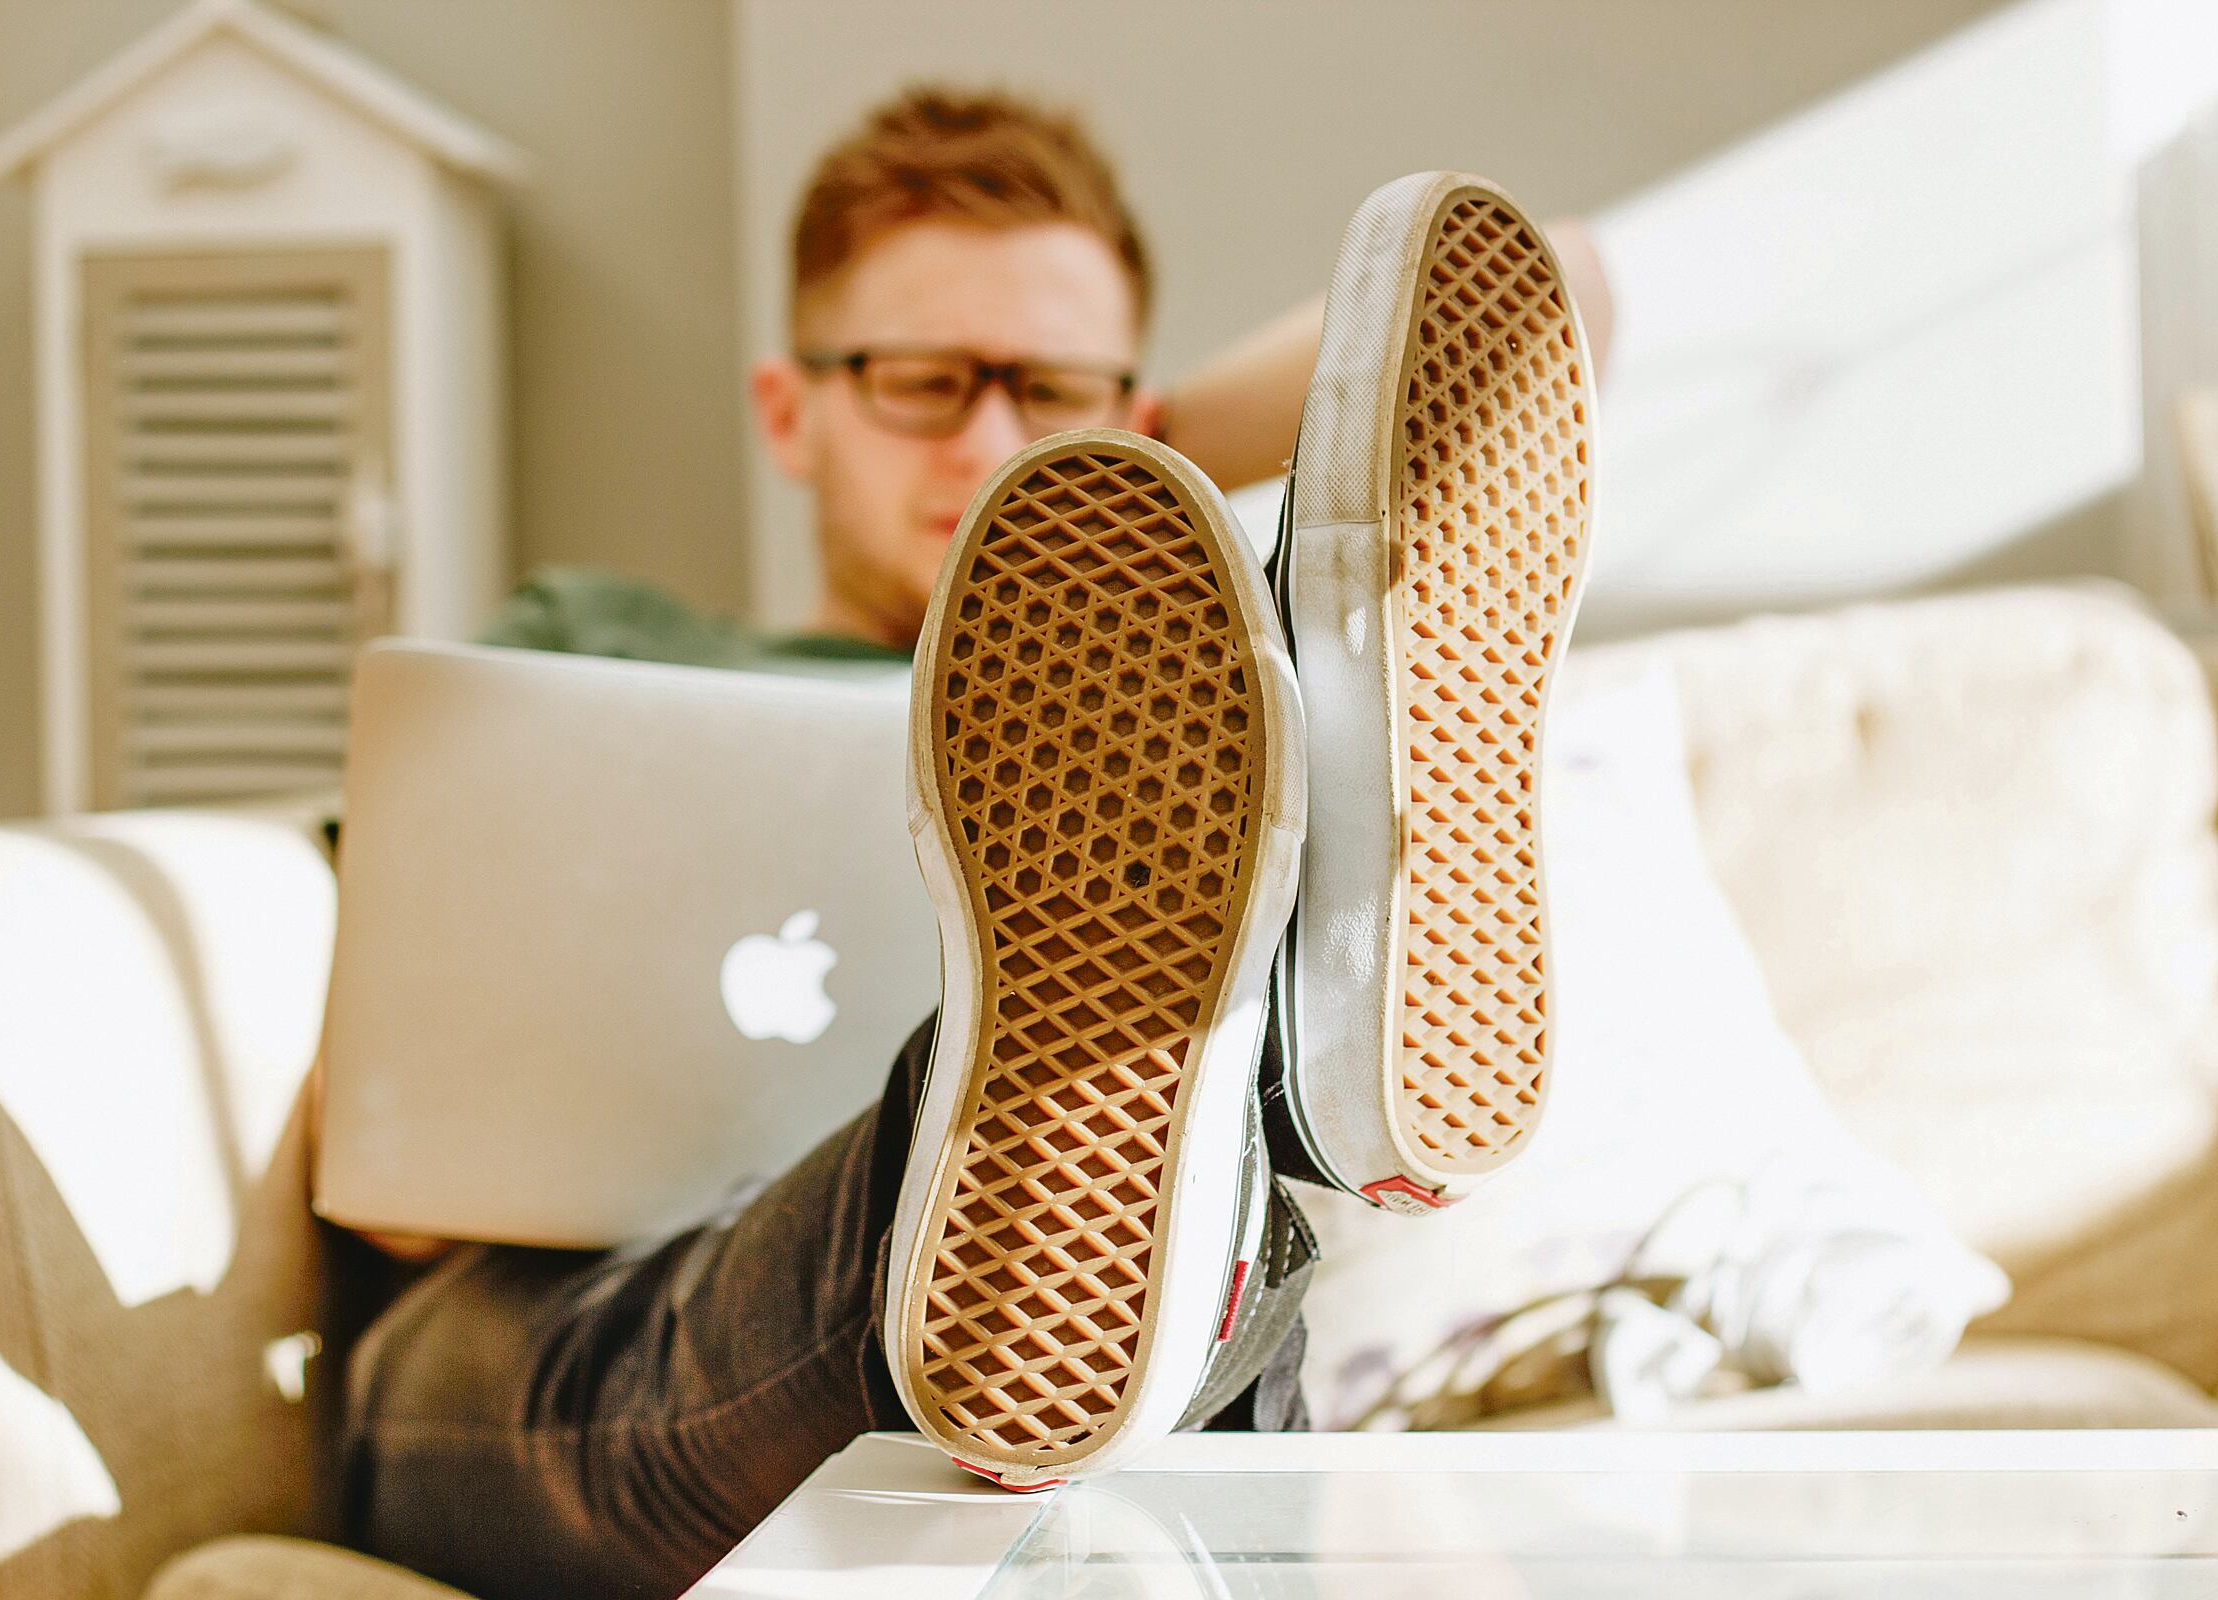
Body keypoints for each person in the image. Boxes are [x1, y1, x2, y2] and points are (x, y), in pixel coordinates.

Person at [332, 85, 1607, 1599]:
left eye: (1048, 388)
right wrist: (1084, 434)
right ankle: (1248, 1046)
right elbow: (376, 1126)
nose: (992, 438)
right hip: (571, 1334)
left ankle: (1176, 1107)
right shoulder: (590, 643)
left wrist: (1111, 475)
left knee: (1185, 1234)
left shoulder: (1189, 705)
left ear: (1140, 408)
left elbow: (1575, 285)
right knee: (1079, 1179)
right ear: (788, 410)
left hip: (1058, 1350)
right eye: (926, 383)